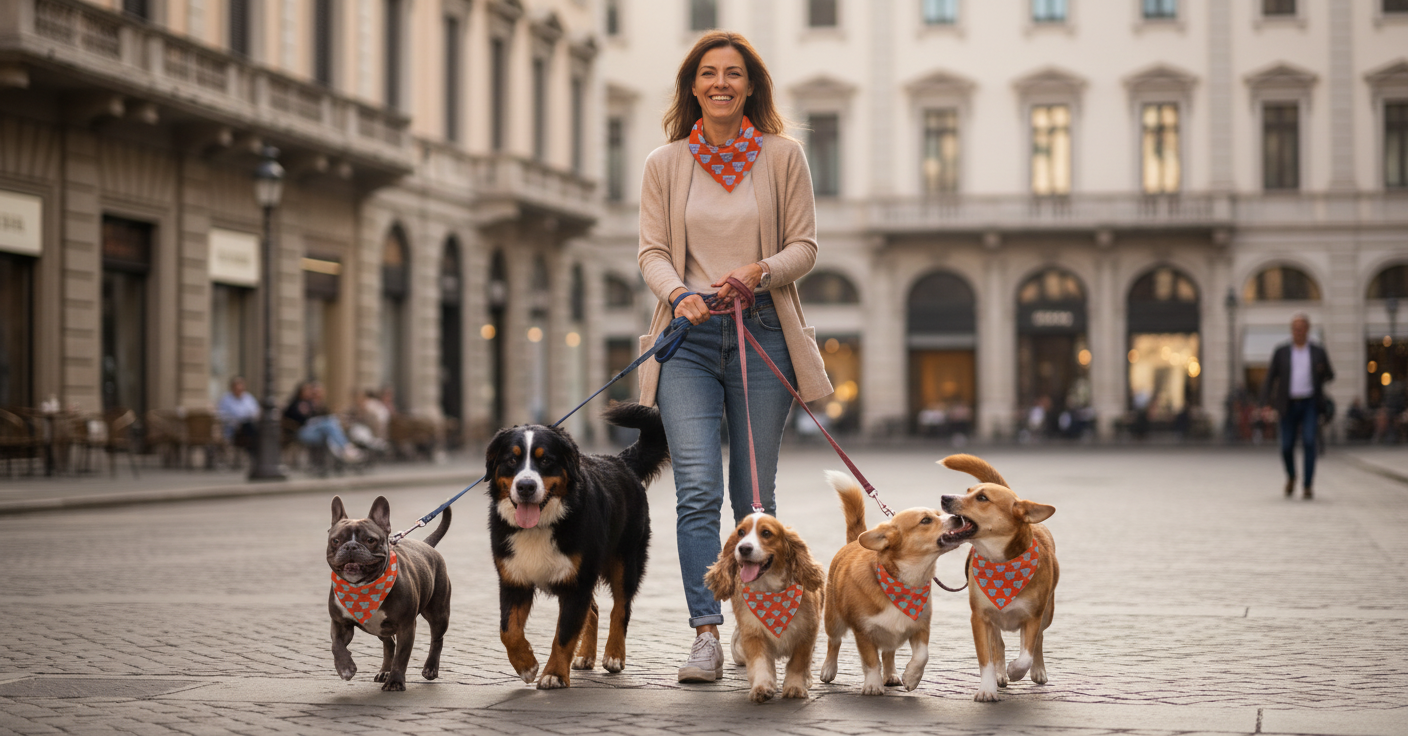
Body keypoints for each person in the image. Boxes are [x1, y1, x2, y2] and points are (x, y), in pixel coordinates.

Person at [634, 31, 832, 684]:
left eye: (734, 74)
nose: (721, 83)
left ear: (751, 86)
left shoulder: (783, 155)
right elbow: (652, 253)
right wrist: (679, 293)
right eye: (709, 73)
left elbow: (804, 245)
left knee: (754, 498)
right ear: (693, 87)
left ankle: (763, 626)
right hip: (688, 343)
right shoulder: (665, 163)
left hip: (763, 336)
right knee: (696, 492)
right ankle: (707, 634)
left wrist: (761, 269)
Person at [1261, 313, 1335, 499]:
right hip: (1287, 404)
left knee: (1310, 442)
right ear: (1291, 330)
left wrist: (1320, 372)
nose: (1298, 332)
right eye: (1295, 328)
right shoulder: (1282, 351)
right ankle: (1292, 476)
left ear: (1307, 330)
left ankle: (1308, 484)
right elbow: (1270, 378)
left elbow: (1329, 374)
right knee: (1286, 446)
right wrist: (1265, 404)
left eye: (1301, 328)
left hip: (1310, 403)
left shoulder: (1317, 351)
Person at [284, 380, 362, 464]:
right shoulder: (296, 404)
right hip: (302, 432)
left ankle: (341, 454)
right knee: (330, 423)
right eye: (306, 390)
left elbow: (322, 415)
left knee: (329, 432)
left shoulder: (312, 404)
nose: (309, 392)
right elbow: (295, 419)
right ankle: (345, 450)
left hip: (314, 431)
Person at [215, 376, 260, 456]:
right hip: (233, 429)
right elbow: (222, 415)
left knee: (252, 427)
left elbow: (255, 411)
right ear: (232, 388)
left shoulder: (248, 398)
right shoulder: (226, 399)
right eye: (237, 387)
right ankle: (254, 452)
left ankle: (255, 450)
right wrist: (234, 421)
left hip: (248, 425)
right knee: (250, 429)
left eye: (241, 387)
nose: (239, 389)